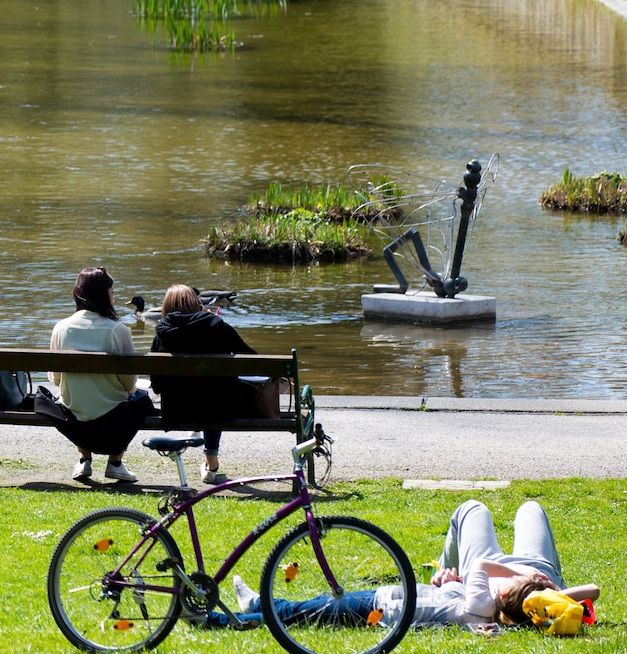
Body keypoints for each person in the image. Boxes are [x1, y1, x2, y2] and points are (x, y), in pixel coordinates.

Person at [206, 499, 599, 632]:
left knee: (318, 611)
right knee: (528, 508)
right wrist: (547, 590)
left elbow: (480, 565)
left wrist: (523, 578)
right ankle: (255, 609)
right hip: (527, 576)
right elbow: (592, 591)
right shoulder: (526, 602)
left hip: (388, 604)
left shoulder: (483, 603)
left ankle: (252, 611)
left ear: (508, 597)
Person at [38, 267, 156, 483]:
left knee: (76, 395)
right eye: (112, 291)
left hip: (73, 418)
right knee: (141, 399)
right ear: (103, 295)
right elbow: (129, 382)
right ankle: (115, 462)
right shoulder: (118, 330)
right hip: (113, 419)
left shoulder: (60, 328)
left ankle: (84, 460)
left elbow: (55, 378)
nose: (114, 296)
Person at [150, 284, 261, 485]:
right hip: (220, 407)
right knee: (214, 391)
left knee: (207, 392)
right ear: (196, 302)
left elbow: (156, 385)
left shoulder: (162, 332)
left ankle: (211, 461)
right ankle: (211, 461)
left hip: (177, 409)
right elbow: (252, 360)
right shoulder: (217, 326)